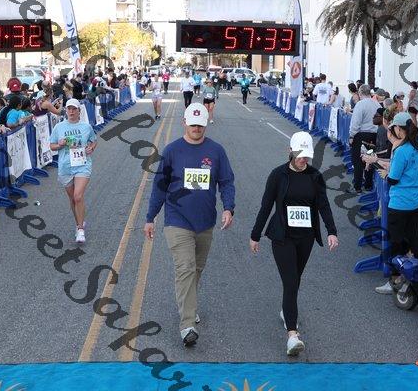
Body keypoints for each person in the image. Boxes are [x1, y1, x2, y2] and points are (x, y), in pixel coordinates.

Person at [144, 103, 236, 347]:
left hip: (205, 222)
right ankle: (187, 325)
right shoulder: (172, 151)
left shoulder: (216, 151)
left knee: (196, 269)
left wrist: (228, 207)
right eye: (193, 124)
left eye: (200, 125)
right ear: (184, 122)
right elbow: (159, 187)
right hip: (177, 221)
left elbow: (227, 182)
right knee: (185, 267)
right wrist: (150, 217)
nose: (196, 128)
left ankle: (189, 305)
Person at [250, 131, 338, 356]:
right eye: (299, 154)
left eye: (306, 155)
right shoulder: (277, 175)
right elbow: (266, 206)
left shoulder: (315, 176)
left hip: (306, 237)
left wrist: (331, 231)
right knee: (290, 282)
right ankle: (292, 335)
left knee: (295, 279)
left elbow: (323, 205)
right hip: (283, 237)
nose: (303, 159)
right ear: (290, 151)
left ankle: (286, 310)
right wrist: (255, 235)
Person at [362, 112, 418, 292]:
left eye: (394, 128)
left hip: (400, 203)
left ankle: (394, 280)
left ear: (399, 129)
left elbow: (393, 179)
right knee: (414, 238)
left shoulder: (401, 150)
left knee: (396, 243)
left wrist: (386, 174)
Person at [49, 99, 97, 244]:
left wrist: (91, 148)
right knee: (72, 199)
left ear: (79, 111)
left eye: (74, 109)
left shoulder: (86, 127)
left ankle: (81, 230)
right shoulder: (59, 127)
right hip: (65, 166)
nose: (71, 111)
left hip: (82, 164)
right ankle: (78, 223)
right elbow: (51, 146)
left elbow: (93, 140)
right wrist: (60, 144)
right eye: (69, 109)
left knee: (78, 196)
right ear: (66, 110)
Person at [349, 84, 382, 193]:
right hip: (374, 135)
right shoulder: (377, 104)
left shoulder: (360, 104)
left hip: (361, 135)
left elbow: (355, 122)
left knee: (358, 161)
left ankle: (357, 186)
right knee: (370, 159)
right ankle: (368, 185)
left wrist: (351, 135)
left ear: (360, 92)